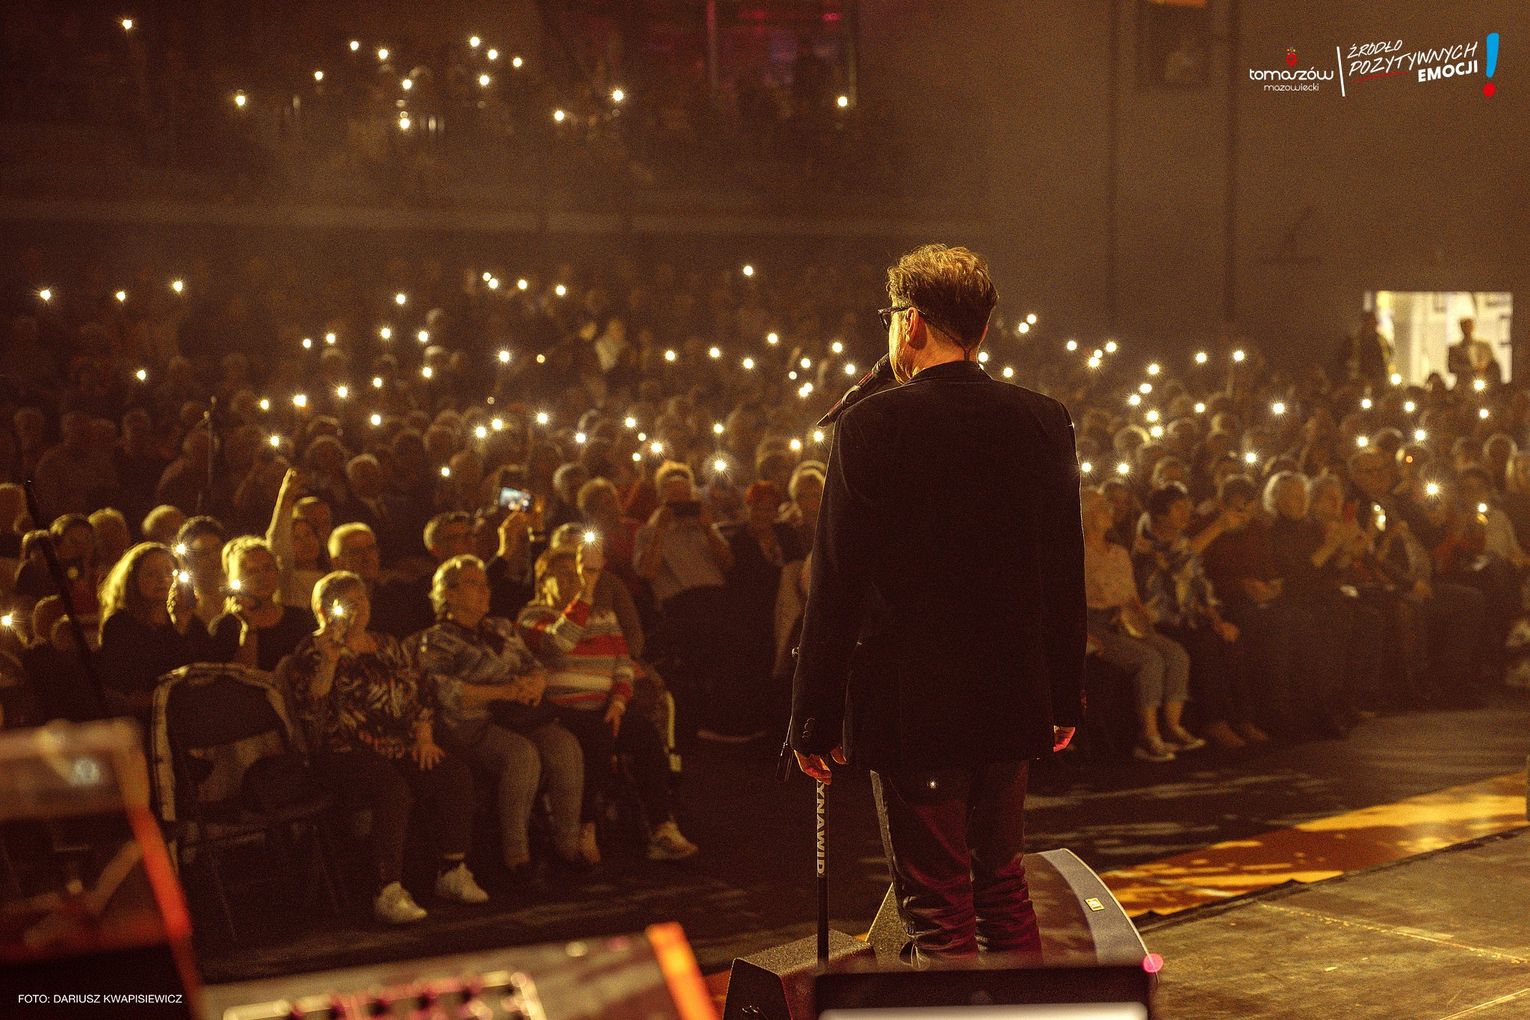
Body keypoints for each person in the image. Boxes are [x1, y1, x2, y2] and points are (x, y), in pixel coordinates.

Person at [790, 244, 1084, 965]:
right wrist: (1064, 693)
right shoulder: (1043, 419)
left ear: (912, 322)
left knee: (938, 908)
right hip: (1012, 693)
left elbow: (837, 583)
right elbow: (1063, 571)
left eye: (891, 315)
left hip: (914, 703)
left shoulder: (872, 425)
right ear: (979, 328)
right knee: (1003, 888)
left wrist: (813, 714)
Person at [285, 570, 489, 925]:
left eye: (362, 598)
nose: (358, 607)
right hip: (344, 749)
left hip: (398, 744)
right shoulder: (312, 651)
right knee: (392, 790)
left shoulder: (389, 645)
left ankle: (452, 870)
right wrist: (330, 662)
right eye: (347, 602)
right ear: (323, 609)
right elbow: (312, 711)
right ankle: (387, 889)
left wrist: (423, 737)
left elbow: (419, 691)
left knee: (451, 772)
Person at [520, 535, 699, 864]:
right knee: (599, 734)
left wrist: (618, 702)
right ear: (543, 581)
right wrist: (586, 595)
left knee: (644, 734)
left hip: (605, 706)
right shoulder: (532, 617)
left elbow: (622, 664)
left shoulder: (603, 617)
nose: (574, 581)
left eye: (576, 574)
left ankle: (661, 825)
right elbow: (560, 642)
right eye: (563, 574)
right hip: (562, 710)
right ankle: (585, 824)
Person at [416, 554, 587, 881]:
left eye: (486, 584)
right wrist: (504, 692)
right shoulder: (436, 640)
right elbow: (443, 691)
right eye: (473, 584)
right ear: (449, 593)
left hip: (518, 716)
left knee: (565, 746)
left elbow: (533, 664)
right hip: (472, 724)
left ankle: (568, 843)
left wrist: (535, 683)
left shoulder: (501, 628)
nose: (484, 591)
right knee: (521, 755)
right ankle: (517, 855)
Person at [1081, 488, 1202, 762]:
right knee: (1149, 660)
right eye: (1100, 507)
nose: (1108, 510)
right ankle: (1148, 736)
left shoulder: (1118, 553)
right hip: (1096, 624)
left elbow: (1131, 595)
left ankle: (1172, 727)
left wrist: (1143, 619)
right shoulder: (1077, 555)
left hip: (1126, 621)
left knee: (1176, 654)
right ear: (1084, 514)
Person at [210, 535, 317, 671]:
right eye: (251, 572)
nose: (261, 577)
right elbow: (235, 675)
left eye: (267, 568)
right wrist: (248, 628)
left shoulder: (300, 619)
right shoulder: (225, 627)